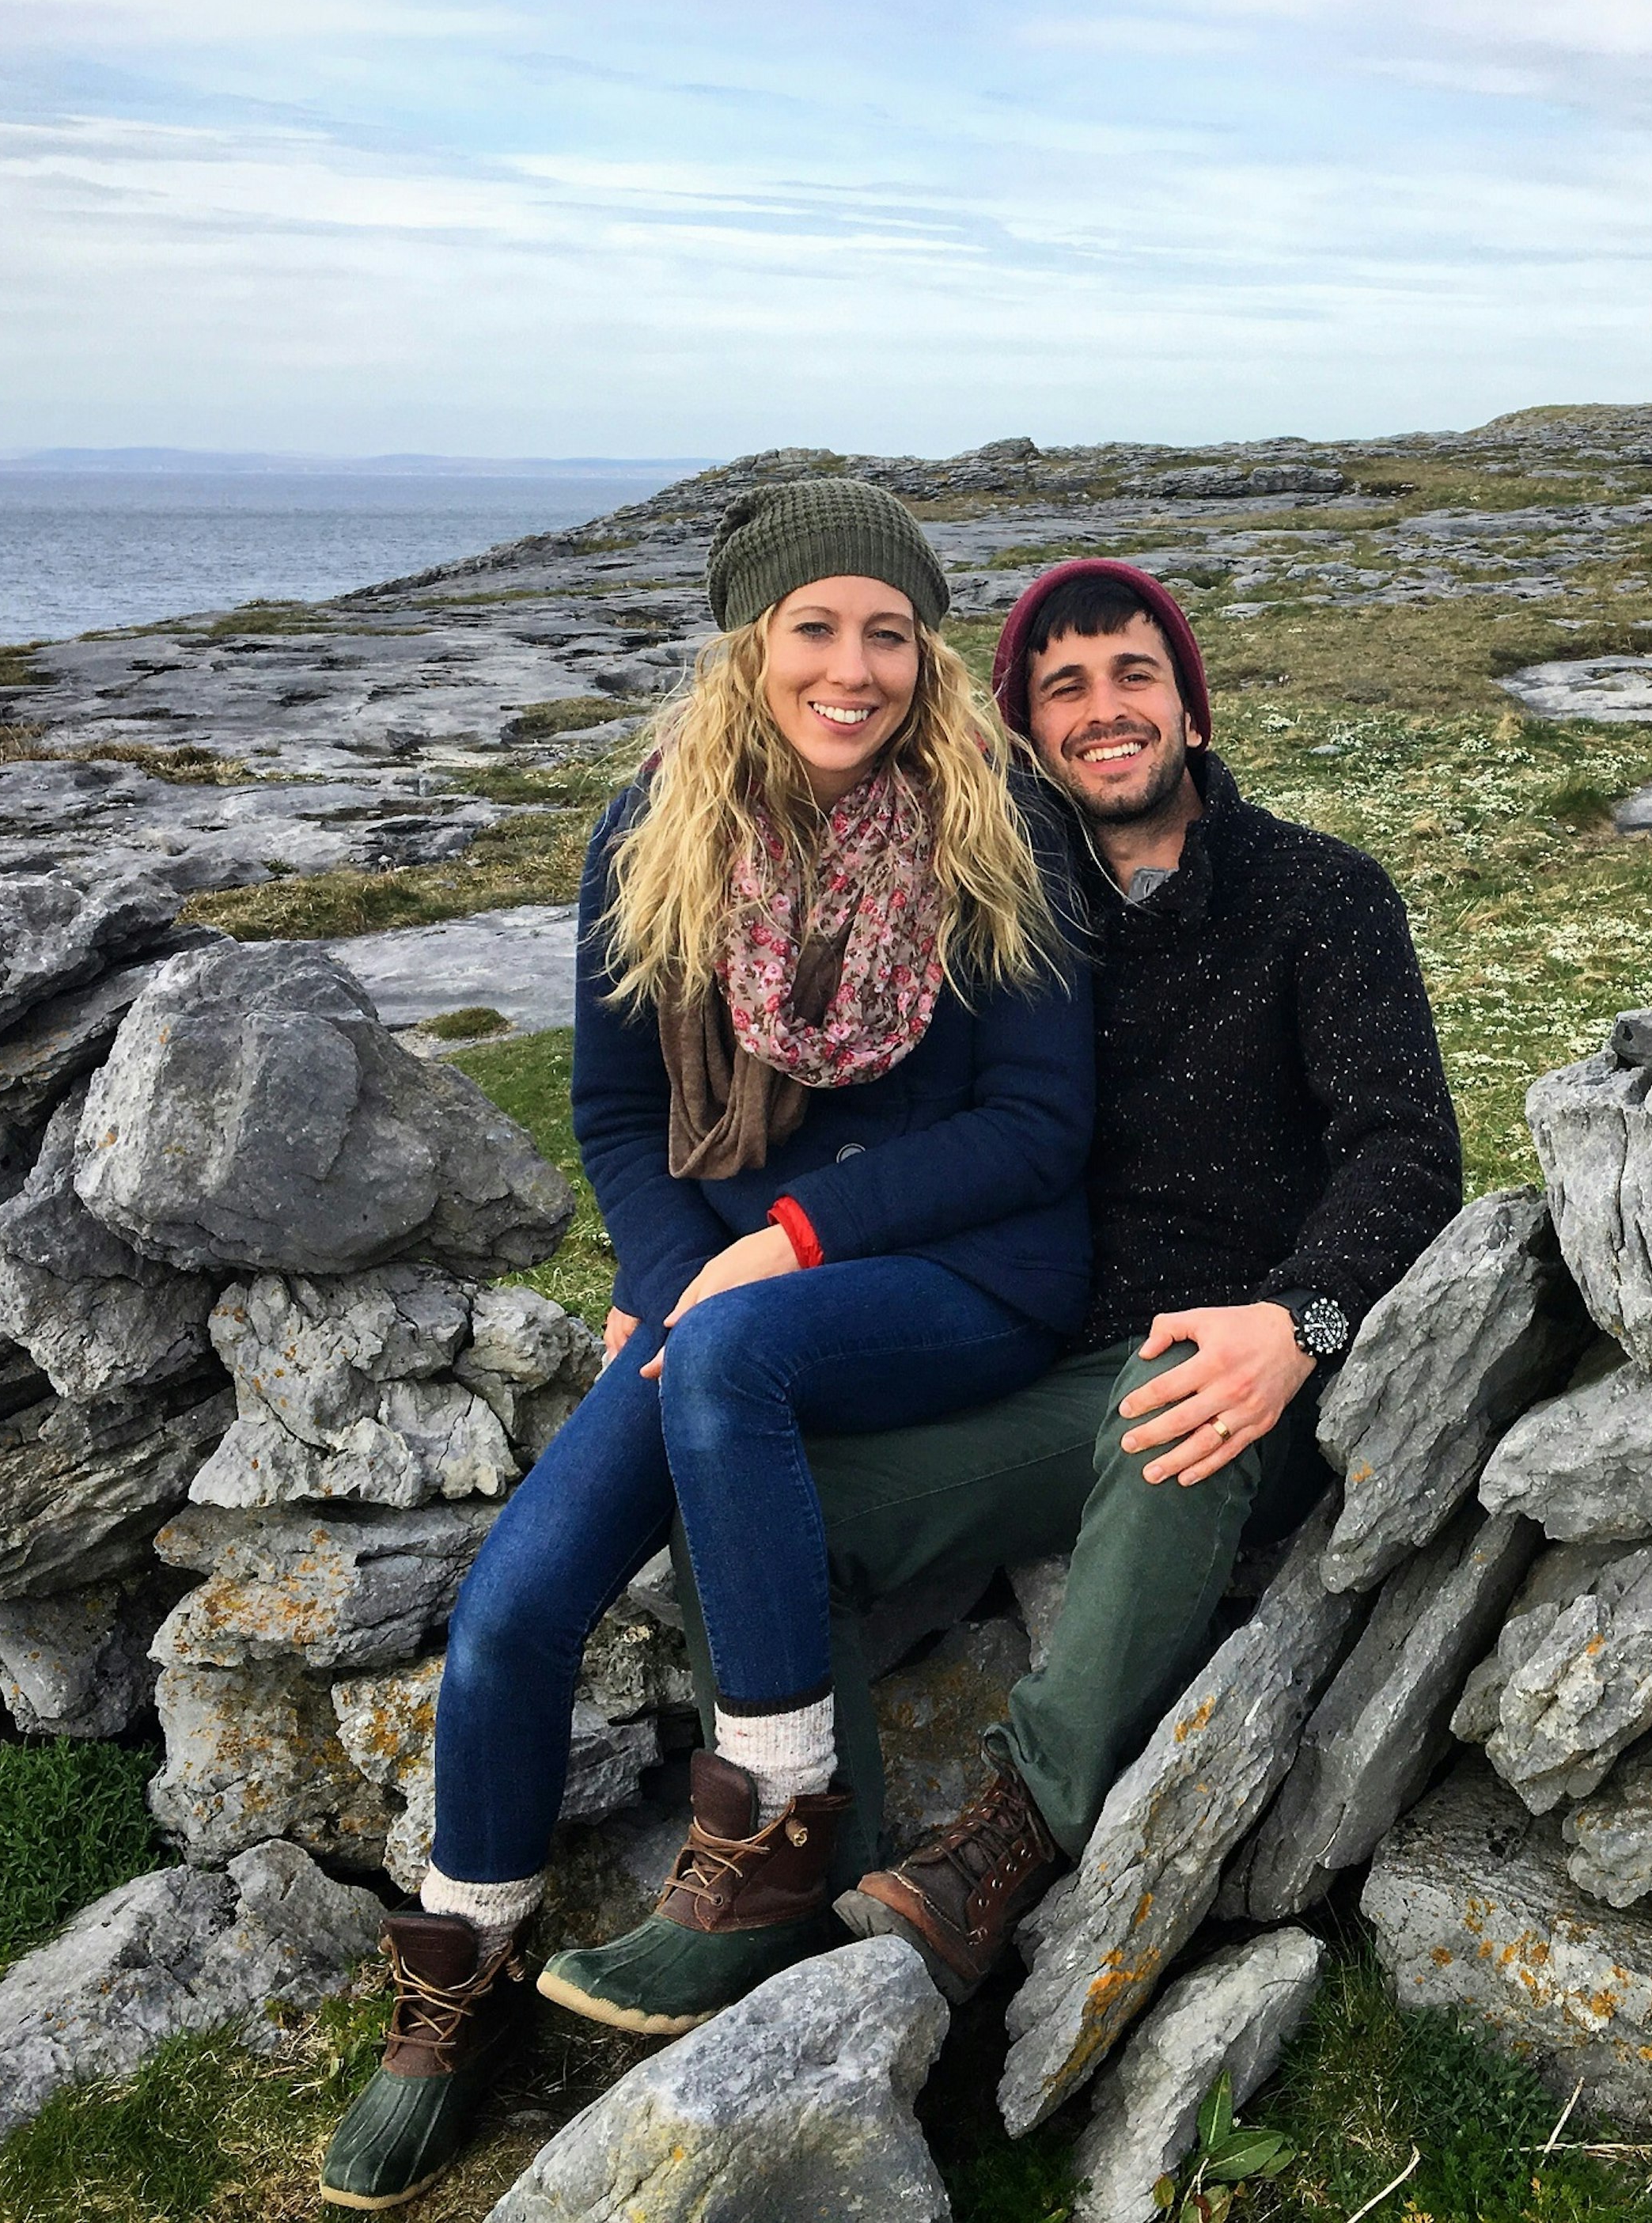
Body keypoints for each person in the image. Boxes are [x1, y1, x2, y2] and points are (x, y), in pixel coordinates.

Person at [319, 480, 1092, 2212]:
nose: (855, 665)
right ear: (748, 647)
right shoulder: (652, 828)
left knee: (735, 1367)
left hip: (966, 1272)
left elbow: (1040, 1126)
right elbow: (611, 1110)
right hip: (729, 1290)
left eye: (888, 631)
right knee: (516, 1604)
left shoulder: (995, 830)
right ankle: (465, 1980)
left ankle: (780, 1820)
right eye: (815, 627)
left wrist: (783, 1245)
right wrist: (683, 1274)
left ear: (928, 652)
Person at [809, 558, 1464, 1999]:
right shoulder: (1010, 924)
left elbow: (1410, 1155)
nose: (1106, 711)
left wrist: (1300, 1322)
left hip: (1261, 1368)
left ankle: (1005, 1838)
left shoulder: (1324, 895)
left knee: (1178, 1401)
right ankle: (814, 1879)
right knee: (803, 1516)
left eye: (1134, 675)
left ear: (1188, 703)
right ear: (1030, 735)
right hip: (1058, 1367)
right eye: (1066, 688)